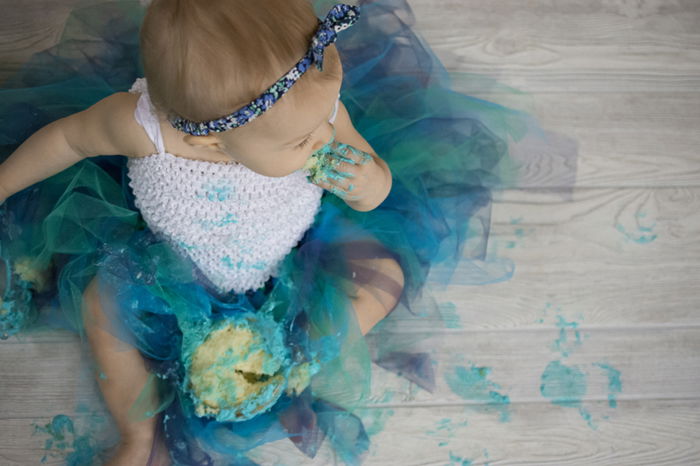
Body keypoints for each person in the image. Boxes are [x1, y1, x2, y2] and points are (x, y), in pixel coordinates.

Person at [0, 0, 547, 464]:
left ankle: (296, 358)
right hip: (166, 267)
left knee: (384, 276)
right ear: (216, 143)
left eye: (324, 120)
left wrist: (365, 181)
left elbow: (377, 182)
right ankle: (138, 433)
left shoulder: (315, 113)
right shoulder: (142, 127)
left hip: (293, 253)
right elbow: (67, 141)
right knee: (102, 302)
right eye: (301, 141)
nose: (322, 138)